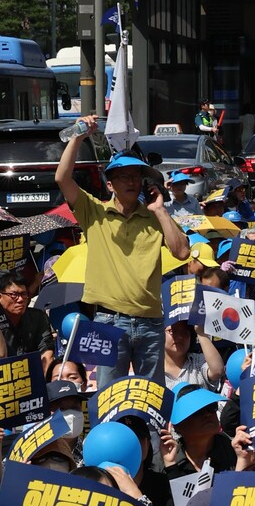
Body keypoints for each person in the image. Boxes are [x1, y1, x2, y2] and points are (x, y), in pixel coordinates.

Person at [56, 127, 191, 388]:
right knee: (108, 395)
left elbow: (182, 252)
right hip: (108, 320)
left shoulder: (155, 217)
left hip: (151, 323)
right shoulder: (94, 212)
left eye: (136, 176)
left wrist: (161, 211)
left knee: (150, 396)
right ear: (110, 184)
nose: (131, 182)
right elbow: (62, 178)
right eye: (123, 177)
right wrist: (78, 138)